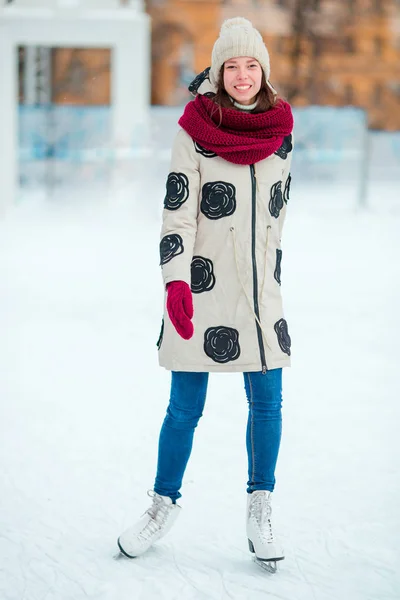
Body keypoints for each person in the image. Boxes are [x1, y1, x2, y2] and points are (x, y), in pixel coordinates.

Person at [118, 17, 294, 567]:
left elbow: (274, 220)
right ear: (218, 72)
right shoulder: (194, 131)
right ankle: (161, 505)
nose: (242, 75)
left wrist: (269, 275)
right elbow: (178, 215)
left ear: (262, 70)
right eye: (231, 66)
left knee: (267, 405)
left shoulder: (281, 133)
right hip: (200, 291)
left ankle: (259, 507)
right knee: (184, 409)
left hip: (259, 293)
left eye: (251, 65)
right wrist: (175, 283)